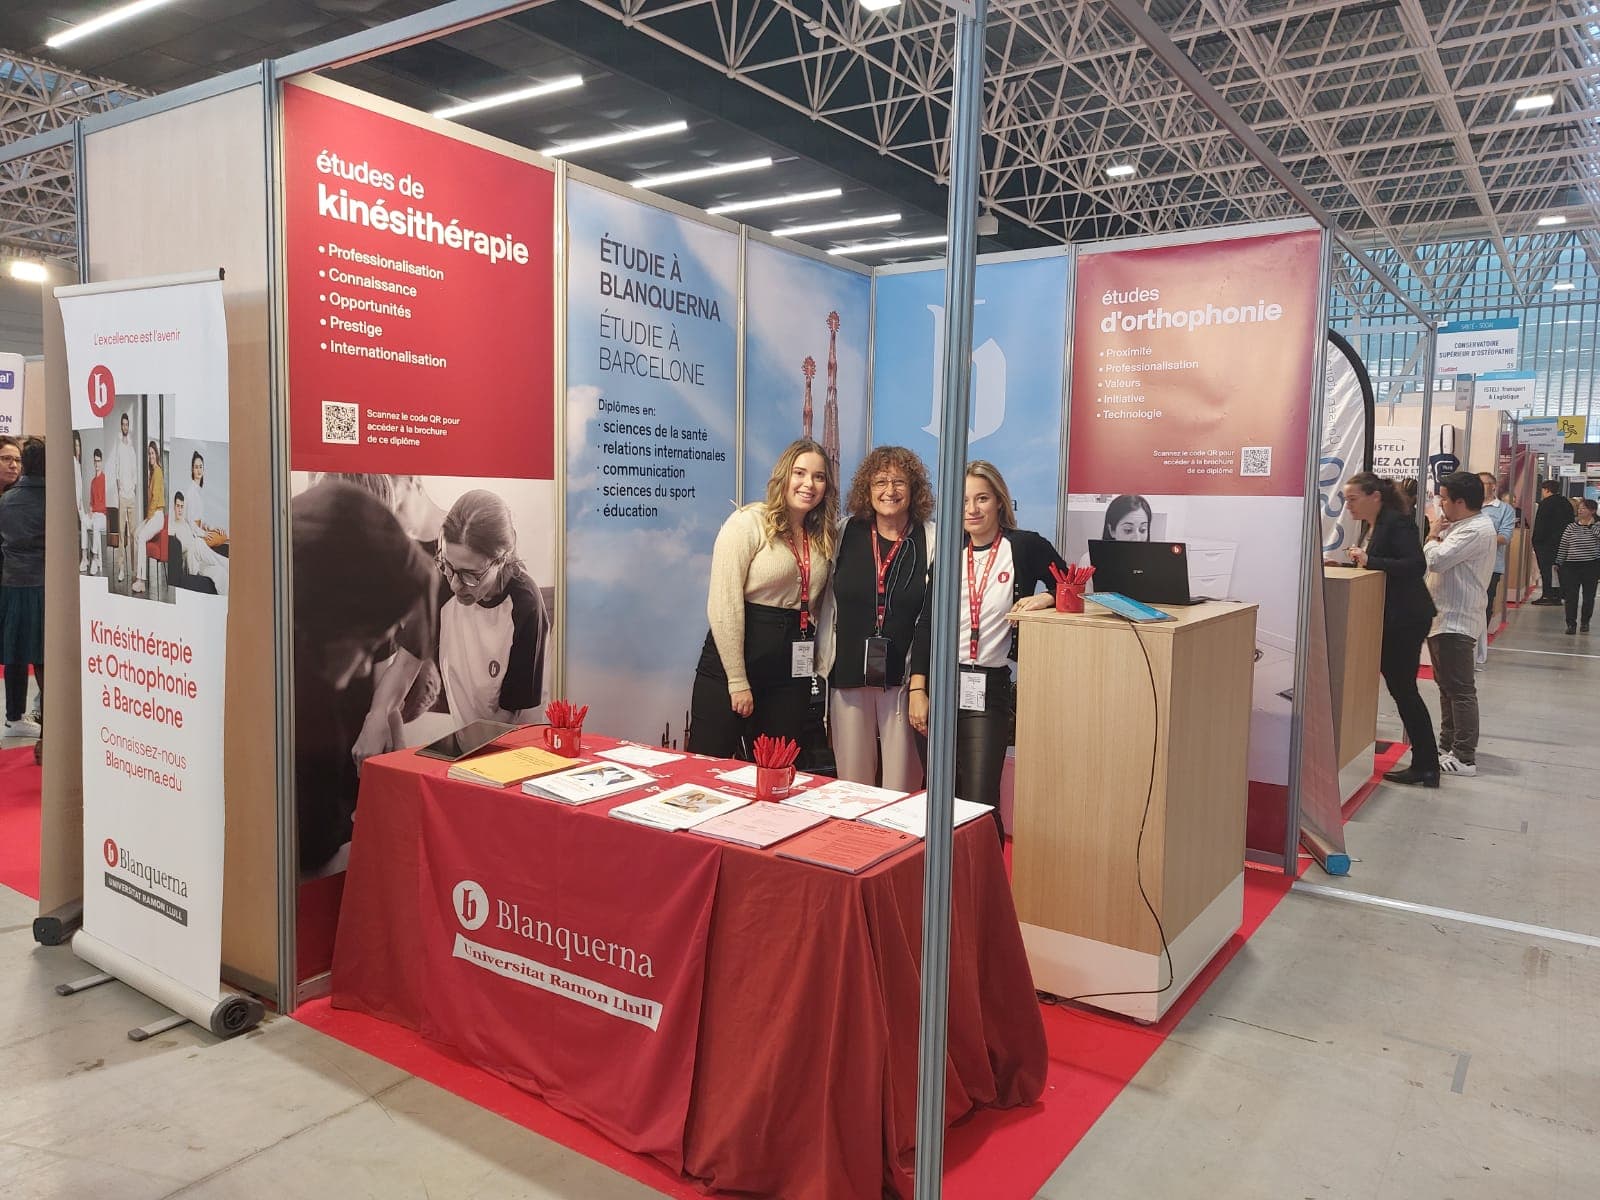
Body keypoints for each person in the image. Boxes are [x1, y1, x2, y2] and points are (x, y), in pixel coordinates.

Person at [909, 461, 1066, 840]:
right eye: (964, 500)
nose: (972, 509)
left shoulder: (1025, 546)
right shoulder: (948, 553)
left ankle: (984, 893)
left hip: (989, 688)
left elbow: (1073, 586)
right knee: (942, 798)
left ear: (999, 501)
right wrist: (918, 689)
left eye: (982, 498)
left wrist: (1045, 598)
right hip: (941, 684)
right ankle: (944, 892)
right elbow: (927, 622)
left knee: (980, 803)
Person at [292, 481, 435, 873]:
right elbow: (308, 867)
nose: (362, 668)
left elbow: (391, 682)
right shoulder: (303, 704)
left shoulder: (327, 653)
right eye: (362, 645)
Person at [688, 438, 837, 763]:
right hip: (735, 663)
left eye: (819, 476)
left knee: (778, 771)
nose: (808, 484)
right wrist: (737, 680)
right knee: (707, 769)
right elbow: (724, 604)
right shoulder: (749, 522)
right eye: (800, 473)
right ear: (783, 475)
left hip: (789, 672)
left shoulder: (821, 536)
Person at [818, 446, 934, 792]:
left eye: (899, 482)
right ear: (867, 489)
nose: (890, 491)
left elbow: (931, 618)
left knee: (903, 786)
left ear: (913, 489)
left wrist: (920, 686)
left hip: (902, 680)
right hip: (848, 674)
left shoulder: (930, 538)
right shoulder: (844, 534)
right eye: (880, 481)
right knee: (853, 788)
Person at [1343, 473, 1439, 787]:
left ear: (1375, 496)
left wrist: (1371, 560)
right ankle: (1426, 763)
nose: (1349, 505)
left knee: (1405, 691)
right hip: (1390, 617)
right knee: (1402, 690)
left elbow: (1414, 565)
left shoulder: (1397, 523)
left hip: (1406, 617)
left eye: (1353, 498)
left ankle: (1427, 764)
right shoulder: (1372, 526)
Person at [436, 489, 549, 725]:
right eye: (447, 565)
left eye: (471, 575)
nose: (456, 585)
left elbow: (509, 713)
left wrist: (467, 754)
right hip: (468, 736)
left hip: (516, 740)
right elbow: (408, 659)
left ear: (501, 559)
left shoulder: (525, 603)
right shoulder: (443, 582)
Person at [1424, 471, 1497, 778]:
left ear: (1460, 501)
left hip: (1457, 619)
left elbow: (1437, 560)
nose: (1440, 503)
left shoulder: (1476, 530)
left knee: (1461, 690)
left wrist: (1431, 534)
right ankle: (1448, 745)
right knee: (1448, 687)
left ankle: (1464, 756)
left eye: (1443, 497)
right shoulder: (1463, 526)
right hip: (1445, 616)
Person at [0, 437, 46, 739]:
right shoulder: (53, 499)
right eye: (6, 459)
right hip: (41, 585)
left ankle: (16, 715)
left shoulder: (7, 500)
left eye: (15, 459)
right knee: (43, 657)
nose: (12, 464)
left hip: (12, 583)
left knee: (16, 650)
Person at [1477, 471, 1515, 662]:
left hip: (1491, 566)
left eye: (1482, 483)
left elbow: (1504, 537)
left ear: (1493, 486)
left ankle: (1478, 648)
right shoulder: (1468, 505)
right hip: (1465, 564)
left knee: (1485, 604)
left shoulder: (1504, 509)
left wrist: (1476, 538)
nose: (1479, 486)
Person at [1554, 498, 1600, 635]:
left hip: (1591, 566)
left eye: (1584, 508)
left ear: (1592, 511)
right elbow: (1564, 545)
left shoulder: (1597, 526)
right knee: (1571, 596)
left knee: (1588, 597)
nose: (1580, 510)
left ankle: (1585, 621)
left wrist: (1591, 526)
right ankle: (1571, 624)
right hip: (1571, 566)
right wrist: (1558, 561)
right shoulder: (1571, 527)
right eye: (1579, 508)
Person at [169, 492, 229, 594]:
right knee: (197, 542)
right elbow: (174, 548)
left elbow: (200, 525)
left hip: (199, 563)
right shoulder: (171, 527)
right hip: (188, 564)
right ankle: (227, 564)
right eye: (178, 506)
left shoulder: (186, 522)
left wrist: (212, 528)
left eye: (182, 507)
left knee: (220, 573)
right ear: (174, 506)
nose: (180, 510)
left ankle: (225, 600)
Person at [1532, 479, 1574, 605]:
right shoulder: (1566, 503)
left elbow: (1541, 525)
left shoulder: (1545, 504)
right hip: (1562, 543)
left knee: (1546, 570)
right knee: (1559, 569)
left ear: (1546, 490)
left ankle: (1547, 595)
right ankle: (1559, 594)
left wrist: (1535, 541)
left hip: (1545, 544)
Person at [131, 441, 165, 595]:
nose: (151, 456)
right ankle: (136, 572)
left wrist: (149, 518)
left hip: (157, 516)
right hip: (152, 514)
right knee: (135, 533)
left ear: (156, 454)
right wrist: (146, 519)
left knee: (142, 536)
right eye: (149, 453)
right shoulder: (152, 473)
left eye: (153, 453)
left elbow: (156, 498)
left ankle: (141, 581)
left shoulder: (158, 472)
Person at [110, 411, 140, 585]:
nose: (125, 427)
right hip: (122, 496)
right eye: (123, 424)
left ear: (129, 426)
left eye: (127, 424)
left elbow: (135, 471)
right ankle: (121, 568)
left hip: (132, 497)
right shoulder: (119, 446)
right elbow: (116, 469)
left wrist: (133, 488)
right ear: (120, 426)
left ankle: (135, 571)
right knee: (122, 534)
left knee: (133, 534)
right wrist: (120, 489)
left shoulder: (132, 448)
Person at [185, 451, 227, 552]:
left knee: (223, 534)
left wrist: (212, 528)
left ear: (203, 469)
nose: (199, 470)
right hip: (194, 535)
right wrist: (204, 534)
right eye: (196, 467)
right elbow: (190, 522)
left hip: (201, 531)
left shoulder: (198, 491)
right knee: (224, 537)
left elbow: (201, 519)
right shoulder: (190, 492)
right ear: (192, 470)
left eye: (200, 467)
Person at [87, 448, 107, 575]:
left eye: (98, 461)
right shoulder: (92, 482)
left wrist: (94, 510)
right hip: (94, 514)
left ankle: (94, 558)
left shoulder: (105, 479)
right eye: (95, 461)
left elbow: (103, 505)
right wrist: (90, 509)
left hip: (103, 516)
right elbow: (91, 502)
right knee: (84, 521)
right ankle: (85, 558)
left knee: (95, 525)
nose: (97, 464)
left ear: (102, 462)